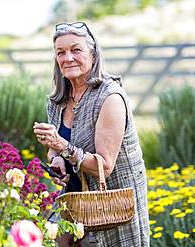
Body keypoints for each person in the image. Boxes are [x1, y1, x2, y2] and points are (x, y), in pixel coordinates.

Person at [33, 21, 149, 247]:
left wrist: (62, 145)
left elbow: (104, 166)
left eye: (76, 50)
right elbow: (54, 152)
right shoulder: (57, 101)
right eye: (61, 52)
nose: (68, 58)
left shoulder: (109, 97)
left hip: (112, 205)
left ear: (93, 54)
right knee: (52, 239)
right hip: (75, 201)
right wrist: (57, 161)